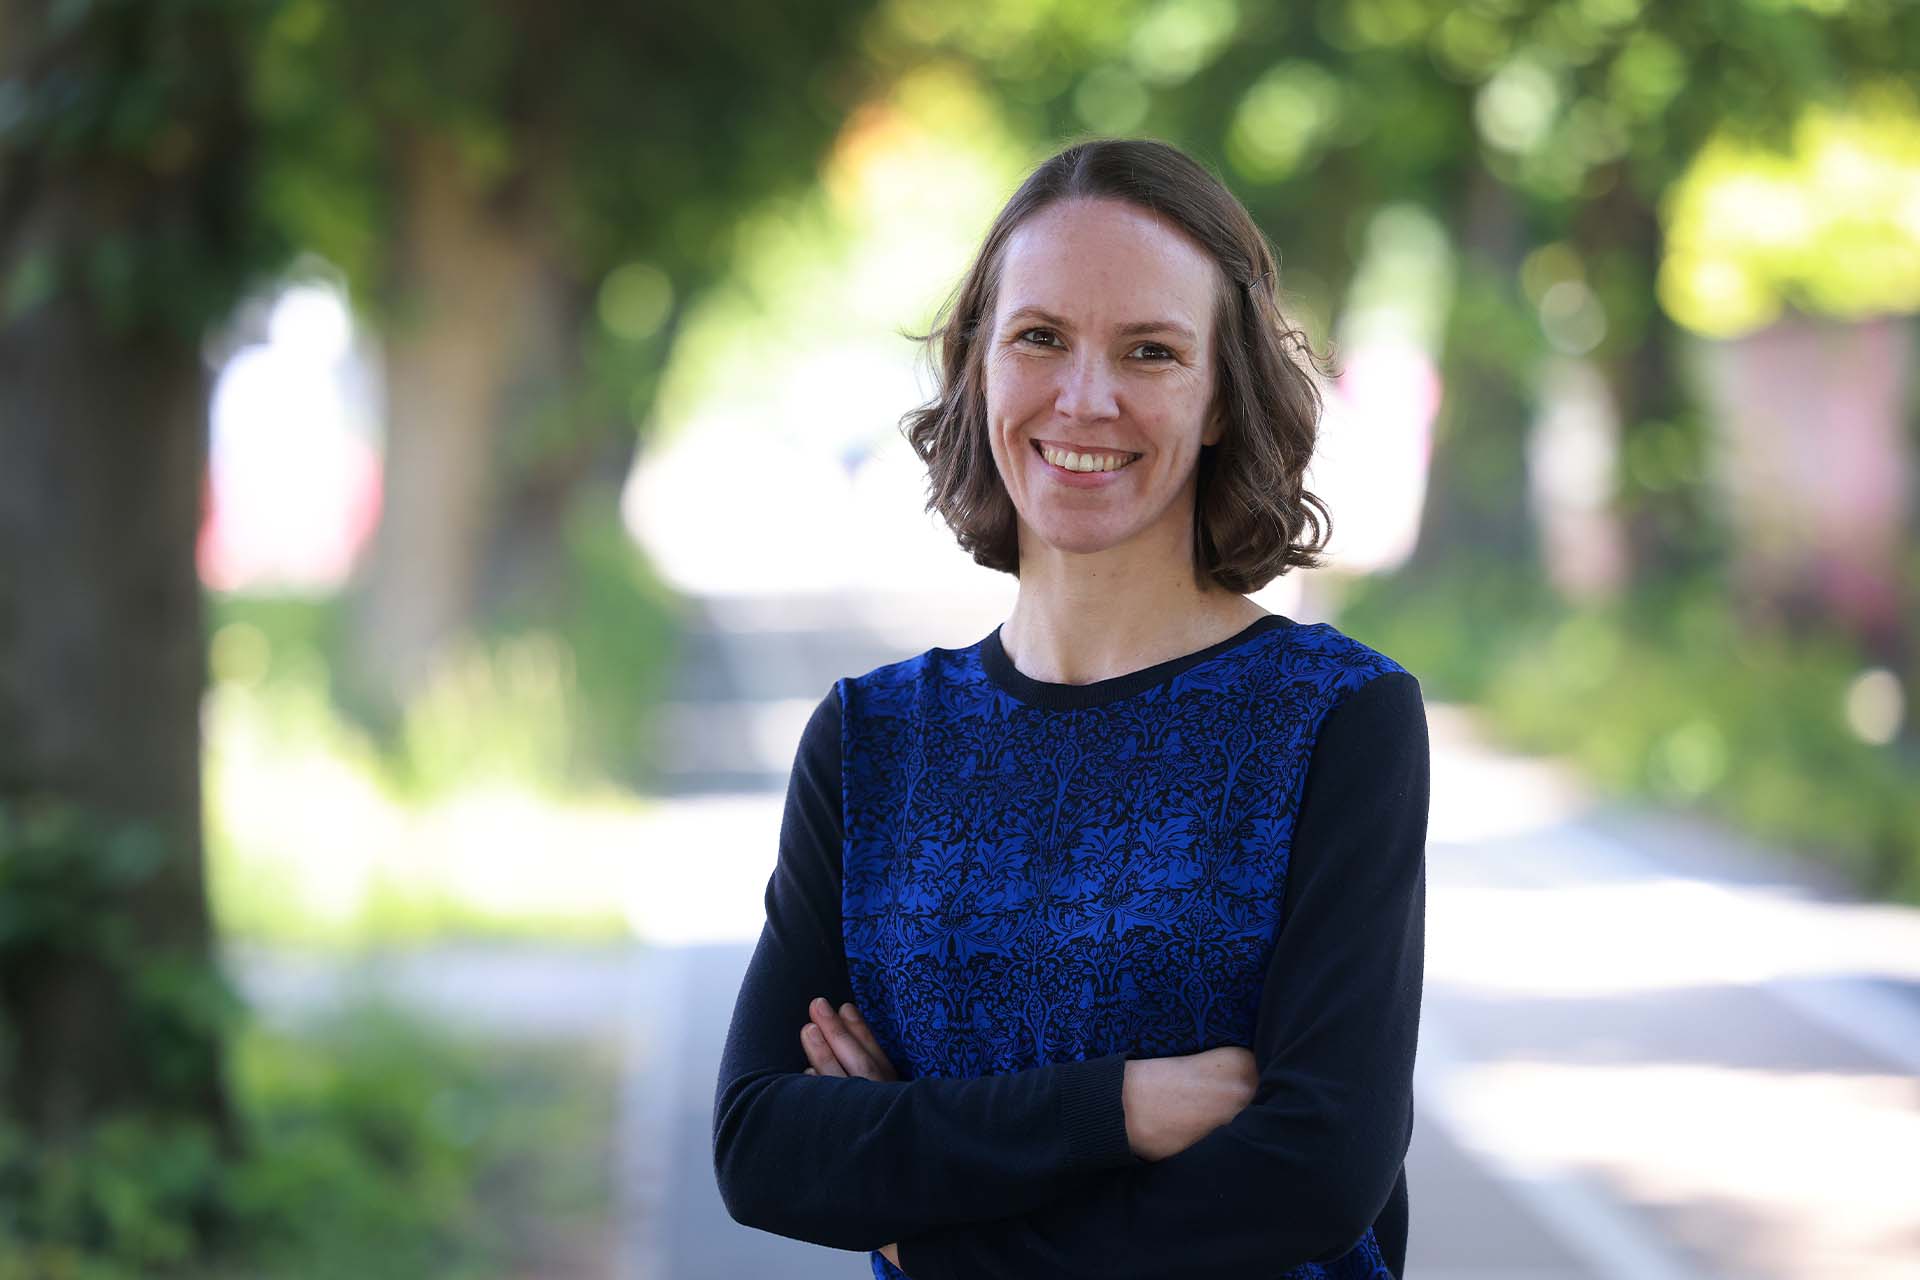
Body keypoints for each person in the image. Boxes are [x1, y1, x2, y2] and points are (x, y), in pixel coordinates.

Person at [712, 136, 1428, 1280]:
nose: (1085, 397)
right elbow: (762, 1145)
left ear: (1218, 401)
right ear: (981, 367)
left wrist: (927, 1222)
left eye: (1150, 350)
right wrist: (1122, 1106)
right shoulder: (872, 740)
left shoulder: (1336, 719)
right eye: (1040, 337)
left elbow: (1313, 1170)